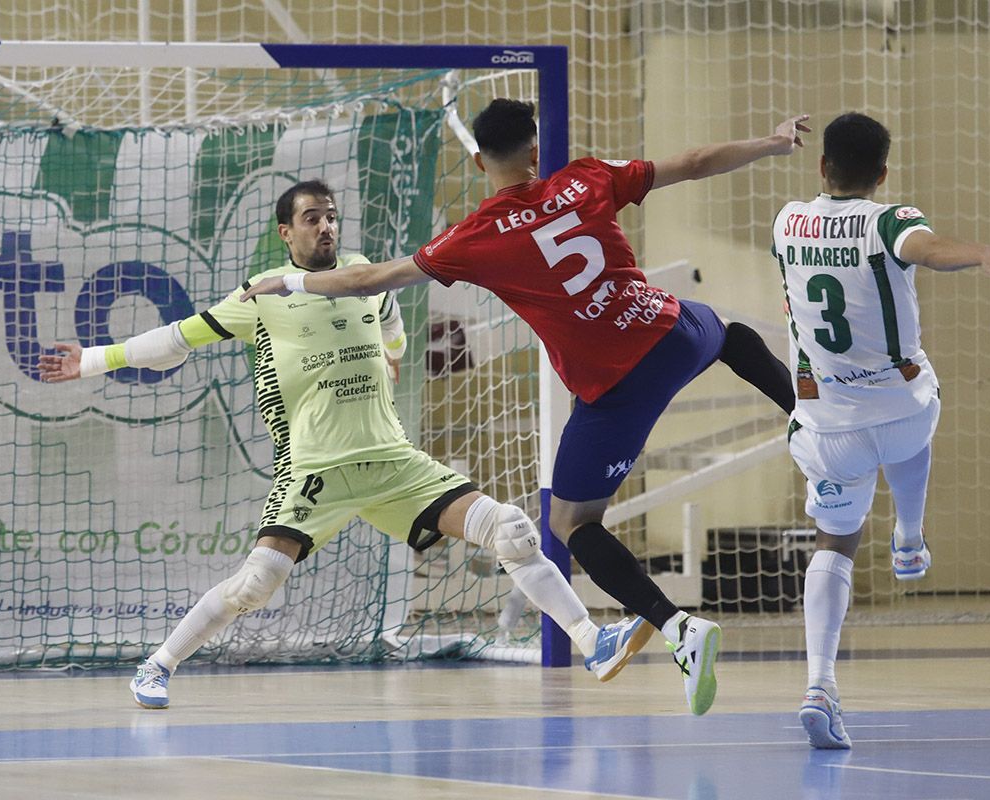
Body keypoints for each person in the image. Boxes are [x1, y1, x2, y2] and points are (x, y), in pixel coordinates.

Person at [240, 101, 810, 716]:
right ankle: (807, 415)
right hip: (670, 333)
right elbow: (695, 162)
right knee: (728, 333)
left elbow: (366, 280)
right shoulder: (586, 178)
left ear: (479, 160)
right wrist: (772, 143)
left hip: (615, 385)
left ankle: (679, 630)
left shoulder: (474, 237)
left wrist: (289, 281)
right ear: (536, 151)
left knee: (570, 524)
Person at [38, 180, 652, 709]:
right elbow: (176, 340)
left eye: (331, 215)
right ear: (287, 232)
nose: (325, 226)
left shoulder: (365, 279)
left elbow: (391, 328)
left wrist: (390, 355)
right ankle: (158, 665)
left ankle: (591, 641)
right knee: (256, 586)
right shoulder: (262, 295)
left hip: (393, 463)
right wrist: (93, 359)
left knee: (512, 530)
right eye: (312, 217)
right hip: (316, 469)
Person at [768, 112, 990, 748]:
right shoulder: (890, 219)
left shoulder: (786, 220)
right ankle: (909, 536)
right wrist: (980, 252)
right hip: (903, 412)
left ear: (823, 166)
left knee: (835, 540)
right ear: (883, 174)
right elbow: (928, 251)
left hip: (827, 425)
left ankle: (819, 684)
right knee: (920, 404)